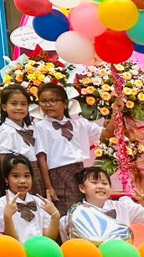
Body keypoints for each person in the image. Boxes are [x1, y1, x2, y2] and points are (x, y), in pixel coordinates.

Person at [35, 83, 105, 211]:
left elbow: (106, 133)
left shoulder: (80, 124)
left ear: (65, 103)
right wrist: (49, 187)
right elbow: (41, 158)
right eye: (43, 101)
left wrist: (116, 111)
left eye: (53, 101)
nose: (48, 105)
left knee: (84, 210)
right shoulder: (40, 127)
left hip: (81, 172)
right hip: (59, 174)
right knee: (66, 211)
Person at [61, 166, 144, 242]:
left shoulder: (123, 206)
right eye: (94, 182)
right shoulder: (75, 215)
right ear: (82, 188)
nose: (101, 186)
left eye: (105, 183)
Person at [0, 154, 60, 241]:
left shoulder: (41, 203)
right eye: (16, 176)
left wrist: (55, 216)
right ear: (6, 179)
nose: (22, 181)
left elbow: (49, 239)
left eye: (27, 176)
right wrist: (7, 217)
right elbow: (4, 241)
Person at [0, 84, 46, 204]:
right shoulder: (4, 130)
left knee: (38, 204)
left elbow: (39, 156)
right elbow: (3, 160)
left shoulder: (31, 128)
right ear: (4, 107)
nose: (19, 108)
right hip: (17, 174)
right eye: (14, 104)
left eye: (23, 104)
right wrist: (10, 180)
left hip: (34, 173)